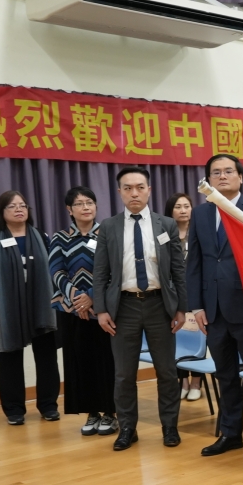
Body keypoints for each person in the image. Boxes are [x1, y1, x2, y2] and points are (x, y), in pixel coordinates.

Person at [187, 154, 243, 460]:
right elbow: (194, 261)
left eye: (228, 171)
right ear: (208, 180)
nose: (222, 176)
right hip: (212, 309)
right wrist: (196, 306)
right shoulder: (200, 213)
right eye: (216, 173)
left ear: (240, 177)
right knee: (224, 375)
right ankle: (230, 434)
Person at [92, 167, 188, 451]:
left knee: (167, 371)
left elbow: (178, 270)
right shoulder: (109, 226)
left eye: (140, 187)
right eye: (128, 188)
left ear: (149, 190)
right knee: (124, 374)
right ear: (119, 192)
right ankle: (127, 429)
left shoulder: (166, 224)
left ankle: (169, 427)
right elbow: (100, 272)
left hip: (160, 305)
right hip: (123, 307)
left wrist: (181, 308)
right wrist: (101, 310)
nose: (134, 193)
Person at [0, 191, 60, 425]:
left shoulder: (41, 237)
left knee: (46, 357)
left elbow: (55, 271)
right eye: (12, 206)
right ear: (1, 212)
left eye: (22, 205)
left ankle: (48, 405)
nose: (19, 209)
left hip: (42, 305)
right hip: (7, 308)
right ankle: (14, 410)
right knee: (9, 359)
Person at [50, 186, 116, 436]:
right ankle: (91, 412)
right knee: (80, 362)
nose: (85, 207)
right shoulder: (60, 237)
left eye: (89, 202)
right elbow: (56, 271)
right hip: (72, 310)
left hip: (104, 310)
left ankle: (110, 413)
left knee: (106, 361)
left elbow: (114, 270)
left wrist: (92, 298)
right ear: (69, 209)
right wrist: (77, 298)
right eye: (79, 204)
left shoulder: (108, 233)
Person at [165, 192, 203, 403]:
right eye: (178, 207)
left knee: (197, 336)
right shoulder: (164, 234)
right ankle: (183, 382)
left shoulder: (198, 232)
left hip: (195, 294)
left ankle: (196, 382)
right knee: (177, 339)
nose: (183, 210)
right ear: (170, 211)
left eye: (186, 206)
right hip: (173, 295)